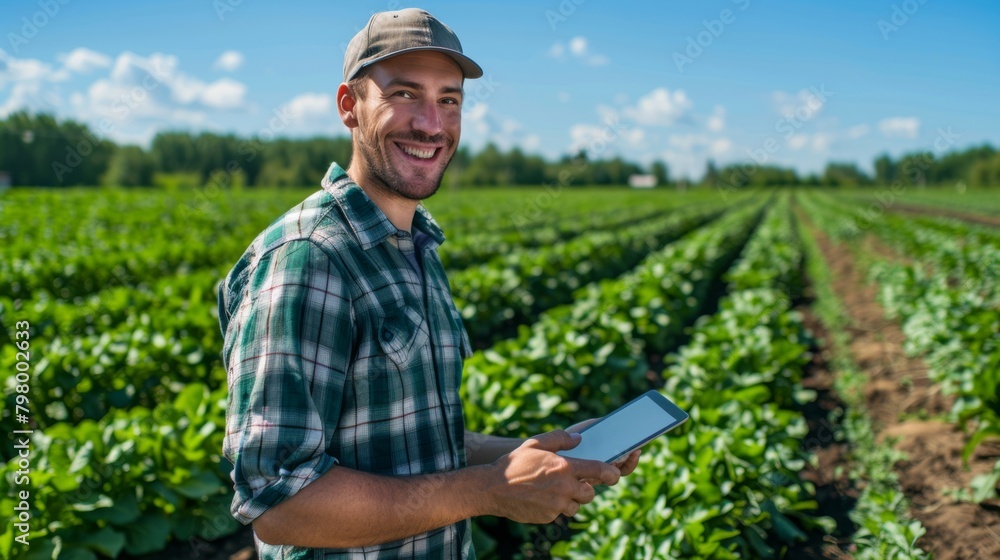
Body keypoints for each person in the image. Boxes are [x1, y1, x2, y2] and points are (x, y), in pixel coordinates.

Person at [218, 8, 640, 559]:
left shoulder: (416, 248)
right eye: (404, 94)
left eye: (449, 100)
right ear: (349, 105)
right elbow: (280, 503)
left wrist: (548, 453)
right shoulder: (308, 258)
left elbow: (416, 440)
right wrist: (490, 490)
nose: (431, 124)